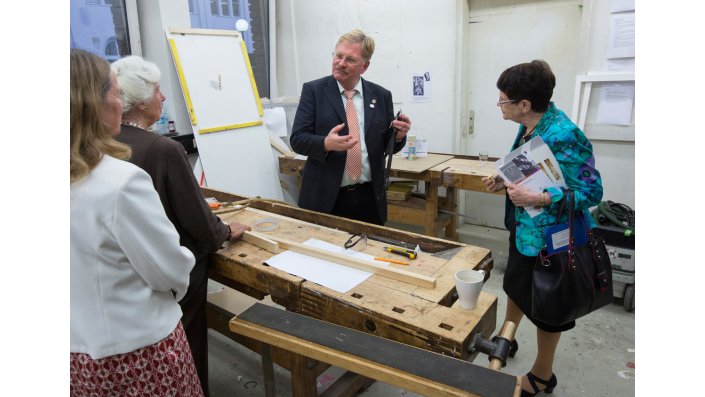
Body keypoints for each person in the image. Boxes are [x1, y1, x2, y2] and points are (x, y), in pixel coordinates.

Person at [111, 55, 251, 396]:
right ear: (141, 101)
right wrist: (226, 230)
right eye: (158, 90)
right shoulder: (165, 149)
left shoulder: (110, 146)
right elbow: (198, 223)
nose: (163, 97)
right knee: (186, 342)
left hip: (126, 280)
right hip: (175, 274)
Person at [70, 49, 203, 396]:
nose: (121, 100)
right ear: (94, 104)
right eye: (116, 91)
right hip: (135, 357)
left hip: (77, 354)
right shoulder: (121, 182)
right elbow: (169, 271)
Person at [482, 60, 603, 397]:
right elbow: (528, 165)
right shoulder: (531, 125)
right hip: (525, 230)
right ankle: (508, 338)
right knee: (516, 284)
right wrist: (500, 179)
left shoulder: (565, 135)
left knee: (550, 307)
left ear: (524, 104)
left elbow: (592, 192)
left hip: (553, 241)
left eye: (503, 100)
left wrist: (541, 197)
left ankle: (542, 375)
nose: (499, 106)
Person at [290, 29, 412, 225]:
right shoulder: (314, 91)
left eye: (350, 59)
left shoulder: (381, 96)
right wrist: (326, 144)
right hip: (325, 195)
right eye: (338, 56)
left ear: (365, 66)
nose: (341, 63)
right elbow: (297, 140)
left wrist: (398, 136)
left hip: (369, 197)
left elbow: (388, 147)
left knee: (368, 251)